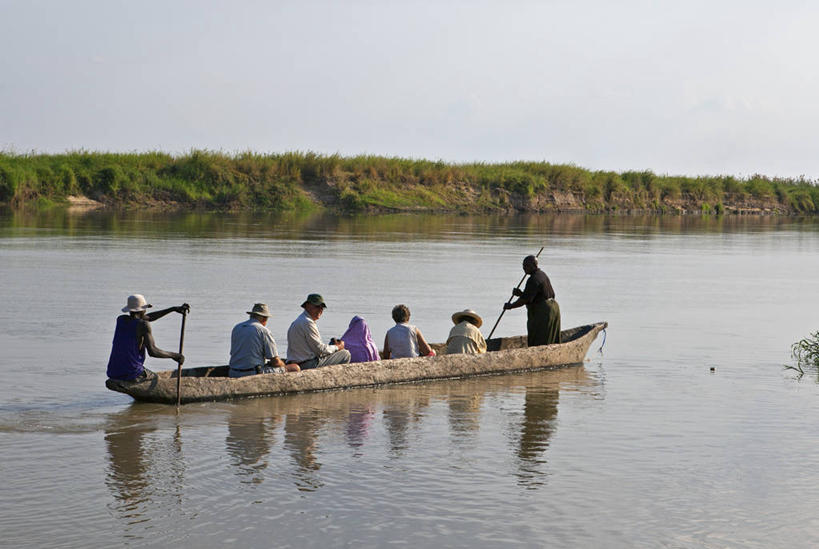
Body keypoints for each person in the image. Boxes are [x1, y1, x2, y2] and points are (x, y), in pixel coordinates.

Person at [106, 294, 188, 381]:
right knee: (157, 379)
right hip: (132, 372)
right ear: (142, 310)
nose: (145, 311)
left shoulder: (121, 320)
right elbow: (153, 352)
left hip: (113, 372)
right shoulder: (143, 325)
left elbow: (149, 317)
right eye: (144, 309)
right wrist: (175, 356)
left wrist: (173, 309)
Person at [229, 303, 300, 378]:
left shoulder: (237, 327)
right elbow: (275, 362)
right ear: (264, 318)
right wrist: (284, 367)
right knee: (294, 368)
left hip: (233, 372)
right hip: (252, 373)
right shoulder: (263, 331)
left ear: (251, 315)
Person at [503, 255, 561, 346]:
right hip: (552, 307)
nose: (524, 268)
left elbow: (524, 300)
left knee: (540, 336)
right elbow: (533, 295)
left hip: (544, 311)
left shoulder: (533, 279)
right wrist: (520, 293)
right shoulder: (541, 274)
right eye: (523, 266)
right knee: (546, 335)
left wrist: (510, 306)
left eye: (526, 266)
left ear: (534, 265)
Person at [286, 293, 351, 369]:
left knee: (331, 348)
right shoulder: (307, 322)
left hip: (297, 362)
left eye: (322, 308)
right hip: (307, 364)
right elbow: (320, 350)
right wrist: (337, 347)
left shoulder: (299, 321)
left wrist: (332, 346)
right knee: (345, 354)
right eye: (317, 307)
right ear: (307, 306)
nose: (320, 310)